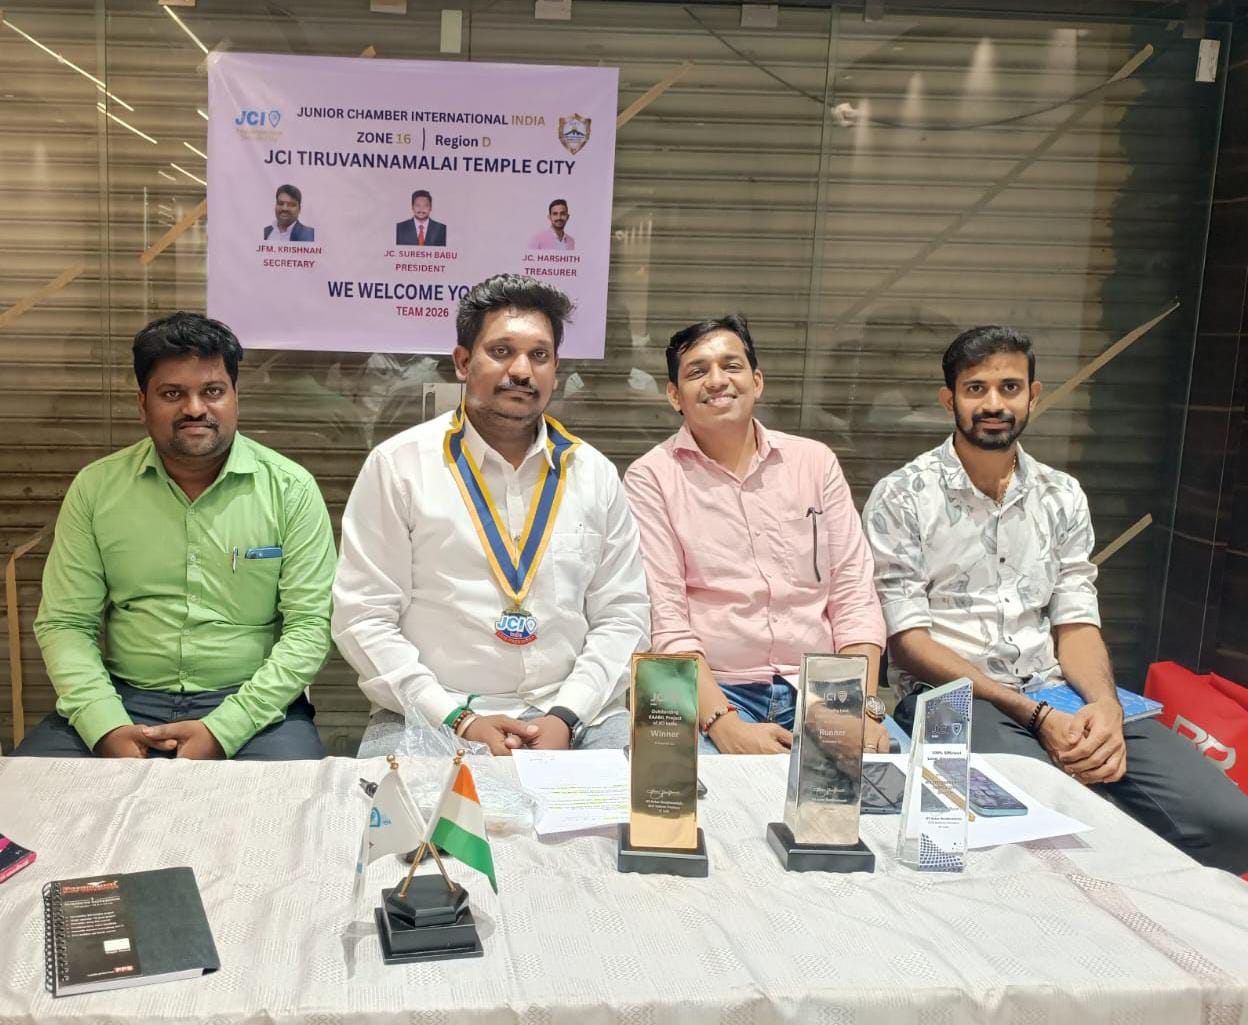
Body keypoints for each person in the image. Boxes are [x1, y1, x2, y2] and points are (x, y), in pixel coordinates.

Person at [863, 325, 1248, 873]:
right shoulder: (903, 495)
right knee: (1057, 825)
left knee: (1230, 824)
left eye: (1009, 387)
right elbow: (908, 643)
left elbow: (1077, 621)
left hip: (1057, 691)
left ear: (1033, 395)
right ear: (949, 400)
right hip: (952, 698)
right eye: (975, 389)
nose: (993, 404)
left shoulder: (1062, 494)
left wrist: (1106, 707)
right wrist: (1035, 716)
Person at [333, 273, 648, 756]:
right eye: (501, 351)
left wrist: (565, 716)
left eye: (539, 355)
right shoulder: (399, 467)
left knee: (634, 804)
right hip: (432, 714)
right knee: (401, 806)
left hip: (576, 715)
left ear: (556, 369)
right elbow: (363, 617)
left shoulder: (594, 474)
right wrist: (458, 719)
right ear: (463, 362)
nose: (521, 370)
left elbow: (624, 615)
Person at [16, 313, 335, 760]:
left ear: (236, 397)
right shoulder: (97, 488)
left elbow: (310, 627)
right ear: (142, 404)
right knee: (29, 795)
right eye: (172, 394)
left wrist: (224, 729)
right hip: (122, 698)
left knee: (291, 801)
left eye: (213, 391)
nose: (195, 408)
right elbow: (65, 623)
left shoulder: (290, 489)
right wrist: (106, 726)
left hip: (254, 707)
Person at [623, 315, 890, 755]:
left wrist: (857, 708)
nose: (716, 380)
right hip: (717, 692)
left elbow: (853, 596)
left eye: (731, 366)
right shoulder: (652, 478)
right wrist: (723, 724)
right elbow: (665, 620)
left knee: (888, 788)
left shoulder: (814, 463)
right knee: (703, 793)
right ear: (674, 395)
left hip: (826, 690)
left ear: (757, 381)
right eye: (697, 371)